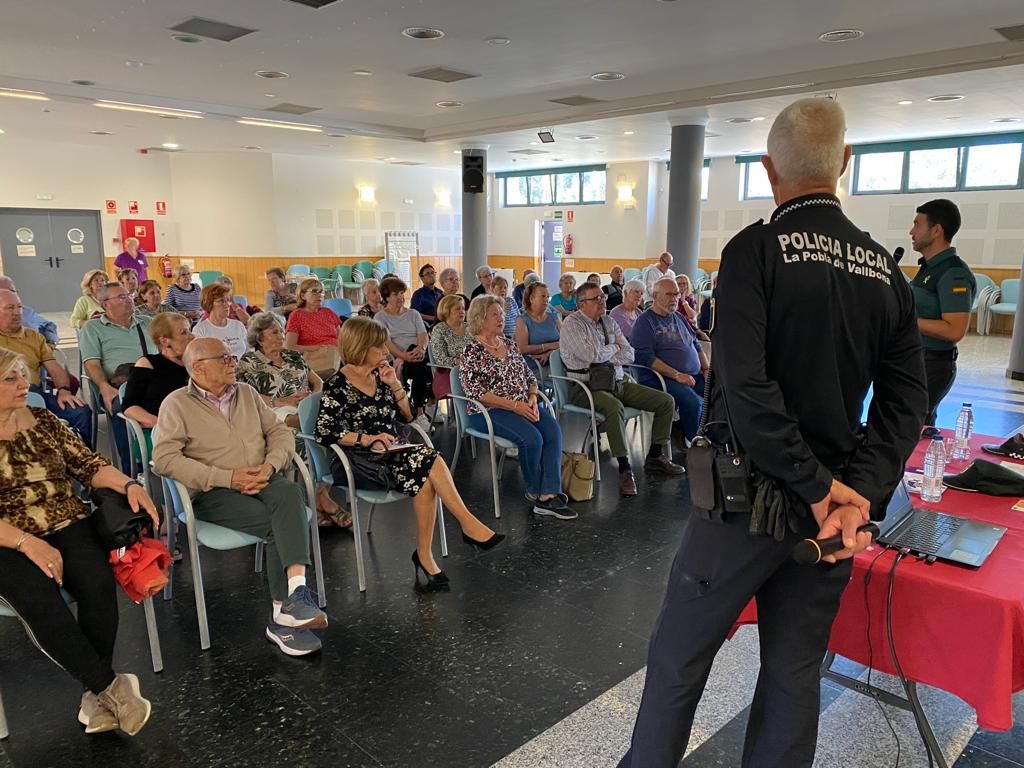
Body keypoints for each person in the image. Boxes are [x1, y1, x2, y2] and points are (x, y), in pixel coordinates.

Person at [618, 97, 927, 768]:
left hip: (743, 503)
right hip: (831, 515)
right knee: (793, 676)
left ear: (767, 169)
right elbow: (907, 403)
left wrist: (818, 490)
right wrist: (856, 495)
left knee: (678, 662)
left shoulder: (755, 252)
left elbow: (748, 392)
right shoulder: (883, 270)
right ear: (846, 163)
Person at [0, 348, 156, 736]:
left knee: (97, 585)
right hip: (7, 538)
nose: (25, 385)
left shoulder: (43, 419)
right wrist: (28, 544)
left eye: (23, 375)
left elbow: (87, 464)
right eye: (11, 379)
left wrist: (130, 484)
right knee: (42, 605)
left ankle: (95, 694)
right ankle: (112, 686)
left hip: (64, 518)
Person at [153, 338, 328, 657]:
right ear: (198, 367)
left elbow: (278, 432)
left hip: (261, 476)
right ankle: (282, 619)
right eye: (224, 359)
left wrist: (269, 465)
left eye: (231, 357)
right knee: (280, 524)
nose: (233, 363)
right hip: (213, 491)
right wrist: (226, 478)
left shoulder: (246, 393)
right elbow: (164, 459)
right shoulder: (176, 404)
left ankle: (296, 595)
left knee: (289, 491)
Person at [315, 317, 504, 592]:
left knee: (426, 475)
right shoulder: (337, 385)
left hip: (389, 453)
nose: (386, 350)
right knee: (429, 462)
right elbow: (325, 431)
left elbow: (408, 416)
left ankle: (429, 554)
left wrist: (394, 385)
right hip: (354, 459)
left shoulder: (380, 377)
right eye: (379, 345)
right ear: (361, 347)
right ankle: (465, 527)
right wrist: (367, 439)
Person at [560, 282, 683, 496]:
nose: (602, 301)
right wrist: (615, 348)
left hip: (617, 381)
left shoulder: (608, 321)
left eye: (603, 297)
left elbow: (630, 353)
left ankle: (654, 455)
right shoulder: (573, 324)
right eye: (596, 298)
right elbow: (591, 357)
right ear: (581, 304)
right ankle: (625, 469)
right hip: (586, 387)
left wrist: (610, 350)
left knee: (666, 401)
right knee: (614, 407)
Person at [461, 296, 574, 520]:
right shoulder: (471, 351)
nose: (501, 318)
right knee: (532, 438)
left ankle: (550, 491)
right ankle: (536, 490)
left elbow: (529, 377)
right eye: (495, 314)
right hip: (489, 410)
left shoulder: (510, 345)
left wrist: (532, 396)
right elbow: (476, 394)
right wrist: (514, 406)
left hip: (521, 403)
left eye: (502, 313)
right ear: (480, 318)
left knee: (552, 431)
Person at [237, 312, 344, 528]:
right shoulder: (248, 362)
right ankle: (320, 498)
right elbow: (245, 395)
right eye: (275, 331)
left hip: (302, 408)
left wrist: (312, 397)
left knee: (325, 422)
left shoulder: (293, 356)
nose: (281, 335)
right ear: (260, 337)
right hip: (272, 412)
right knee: (305, 424)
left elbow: (317, 381)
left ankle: (320, 494)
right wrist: (281, 399)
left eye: (281, 330)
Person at [909, 199, 976, 427]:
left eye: (917, 224)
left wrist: (908, 321)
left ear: (936, 230)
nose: (911, 231)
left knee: (915, 426)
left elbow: (955, 330)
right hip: (917, 359)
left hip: (933, 365)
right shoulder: (929, 269)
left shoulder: (952, 273)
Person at [80, 282, 158, 469]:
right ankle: (132, 468)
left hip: (152, 379)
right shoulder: (93, 328)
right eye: (122, 297)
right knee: (120, 406)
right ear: (106, 304)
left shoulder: (147, 323)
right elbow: (91, 363)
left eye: (129, 295)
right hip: (120, 384)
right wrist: (104, 387)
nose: (129, 300)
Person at [0, 289, 92, 445]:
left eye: (19, 307)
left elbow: (54, 368)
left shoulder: (33, 336)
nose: (18, 313)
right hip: (4, 396)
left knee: (80, 411)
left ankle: (84, 462)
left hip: (33, 393)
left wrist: (64, 390)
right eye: (10, 308)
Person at [631, 277, 708, 446]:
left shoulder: (678, 317)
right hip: (661, 377)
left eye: (677, 294)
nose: (674, 298)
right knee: (693, 403)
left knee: (717, 394)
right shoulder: (644, 322)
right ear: (655, 295)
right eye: (669, 294)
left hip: (691, 374)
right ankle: (696, 442)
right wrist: (677, 374)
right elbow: (646, 358)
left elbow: (695, 343)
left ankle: (707, 435)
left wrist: (706, 367)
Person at [121, 312, 193, 435]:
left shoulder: (195, 363)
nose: (192, 336)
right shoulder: (148, 364)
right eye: (184, 332)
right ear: (164, 340)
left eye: (190, 331)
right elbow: (130, 407)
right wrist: (162, 425)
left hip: (196, 428)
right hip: (161, 432)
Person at [375, 277, 431, 430]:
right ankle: (420, 412)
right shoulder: (380, 317)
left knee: (423, 364)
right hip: (397, 357)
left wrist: (421, 348)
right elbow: (387, 342)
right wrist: (404, 355)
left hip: (417, 354)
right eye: (395, 294)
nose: (400, 297)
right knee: (421, 368)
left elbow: (423, 334)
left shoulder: (413, 314)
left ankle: (422, 409)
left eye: (401, 293)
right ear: (386, 297)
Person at [428, 294, 468, 401]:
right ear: (446, 311)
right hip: (450, 373)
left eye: (463, 308)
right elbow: (440, 360)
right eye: (457, 309)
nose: (462, 311)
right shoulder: (440, 329)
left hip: (472, 369)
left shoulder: (470, 327)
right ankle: (463, 417)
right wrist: (459, 362)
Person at [516, 280, 561, 375]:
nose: (546, 300)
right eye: (543, 296)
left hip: (557, 362)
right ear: (531, 299)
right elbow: (522, 348)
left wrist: (549, 353)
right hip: (535, 367)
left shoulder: (554, 318)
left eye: (548, 297)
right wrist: (549, 346)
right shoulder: (522, 320)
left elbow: (566, 342)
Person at [285, 278, 341, 353]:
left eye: (321, 292)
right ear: (303, 296)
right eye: (314, 291)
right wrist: (318, 348)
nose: (319, 295)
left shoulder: (328, 312)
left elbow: (341, 338)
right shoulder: (296, 315)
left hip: (337, 353)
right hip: (315, 356)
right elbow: (289, 346)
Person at [193, 283, 248, 359]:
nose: (227, 305)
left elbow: (248, 352)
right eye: (221, 301)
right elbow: (200, 358)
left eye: (228, 300)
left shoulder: (238, 325)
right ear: (209, 304)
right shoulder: (200, 330)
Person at [0, 276, 59, 345]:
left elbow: (48, 325)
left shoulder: (27, 312)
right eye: (3, 293)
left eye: (11, 291)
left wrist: (51, 342)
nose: (9, 296)